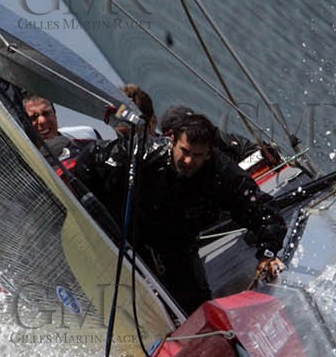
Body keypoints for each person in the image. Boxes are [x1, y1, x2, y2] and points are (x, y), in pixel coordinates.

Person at [67, 111, 286, 313]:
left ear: (209, 153)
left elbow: (264, 212)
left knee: (195, 306)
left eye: (198, 155)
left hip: (176, 243)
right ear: (172, 141)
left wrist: (267, 253)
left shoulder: (223, 173)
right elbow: (90, 158)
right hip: (126, 232)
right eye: (185, 152)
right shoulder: (141, 152)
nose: (189, 161)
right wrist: (89, 210)